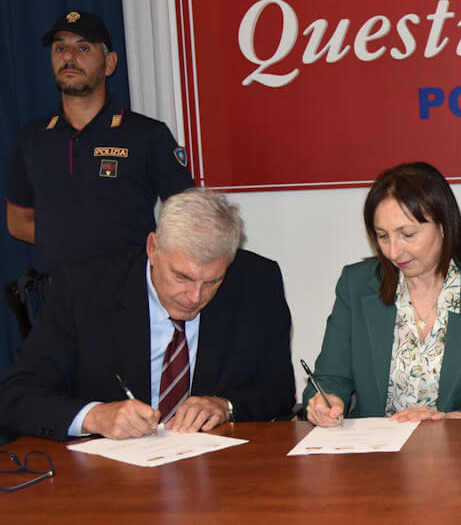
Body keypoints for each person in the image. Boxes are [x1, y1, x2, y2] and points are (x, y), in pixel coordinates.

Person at [0, 188, 295, 441]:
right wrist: (95, 416)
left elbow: (277, 389)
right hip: (106, 473)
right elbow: (16, 396)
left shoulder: (257, 282)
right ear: (153, 249)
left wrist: (225, 406)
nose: (195, 297)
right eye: (182, 277)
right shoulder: (84, 290)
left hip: (215, 470)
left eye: (212, 282)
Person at [303, 162, 461, 425]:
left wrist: (450, 420)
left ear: (443, 226)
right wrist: (325, 401)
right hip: (374, 446)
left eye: (407, 234)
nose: (394, 252)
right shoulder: (356, 285)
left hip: (455, 445)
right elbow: (330, 378)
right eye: (383, 236)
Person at [5, 10, 193, 278]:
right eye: (60, 48)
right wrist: (69, 242)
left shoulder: (146, 134)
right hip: (57, 294)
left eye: (83, 48)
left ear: (109, 63)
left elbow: (187, 215)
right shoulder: (32, 138)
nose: (69, 57)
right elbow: (17, 221)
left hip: (127, 291)